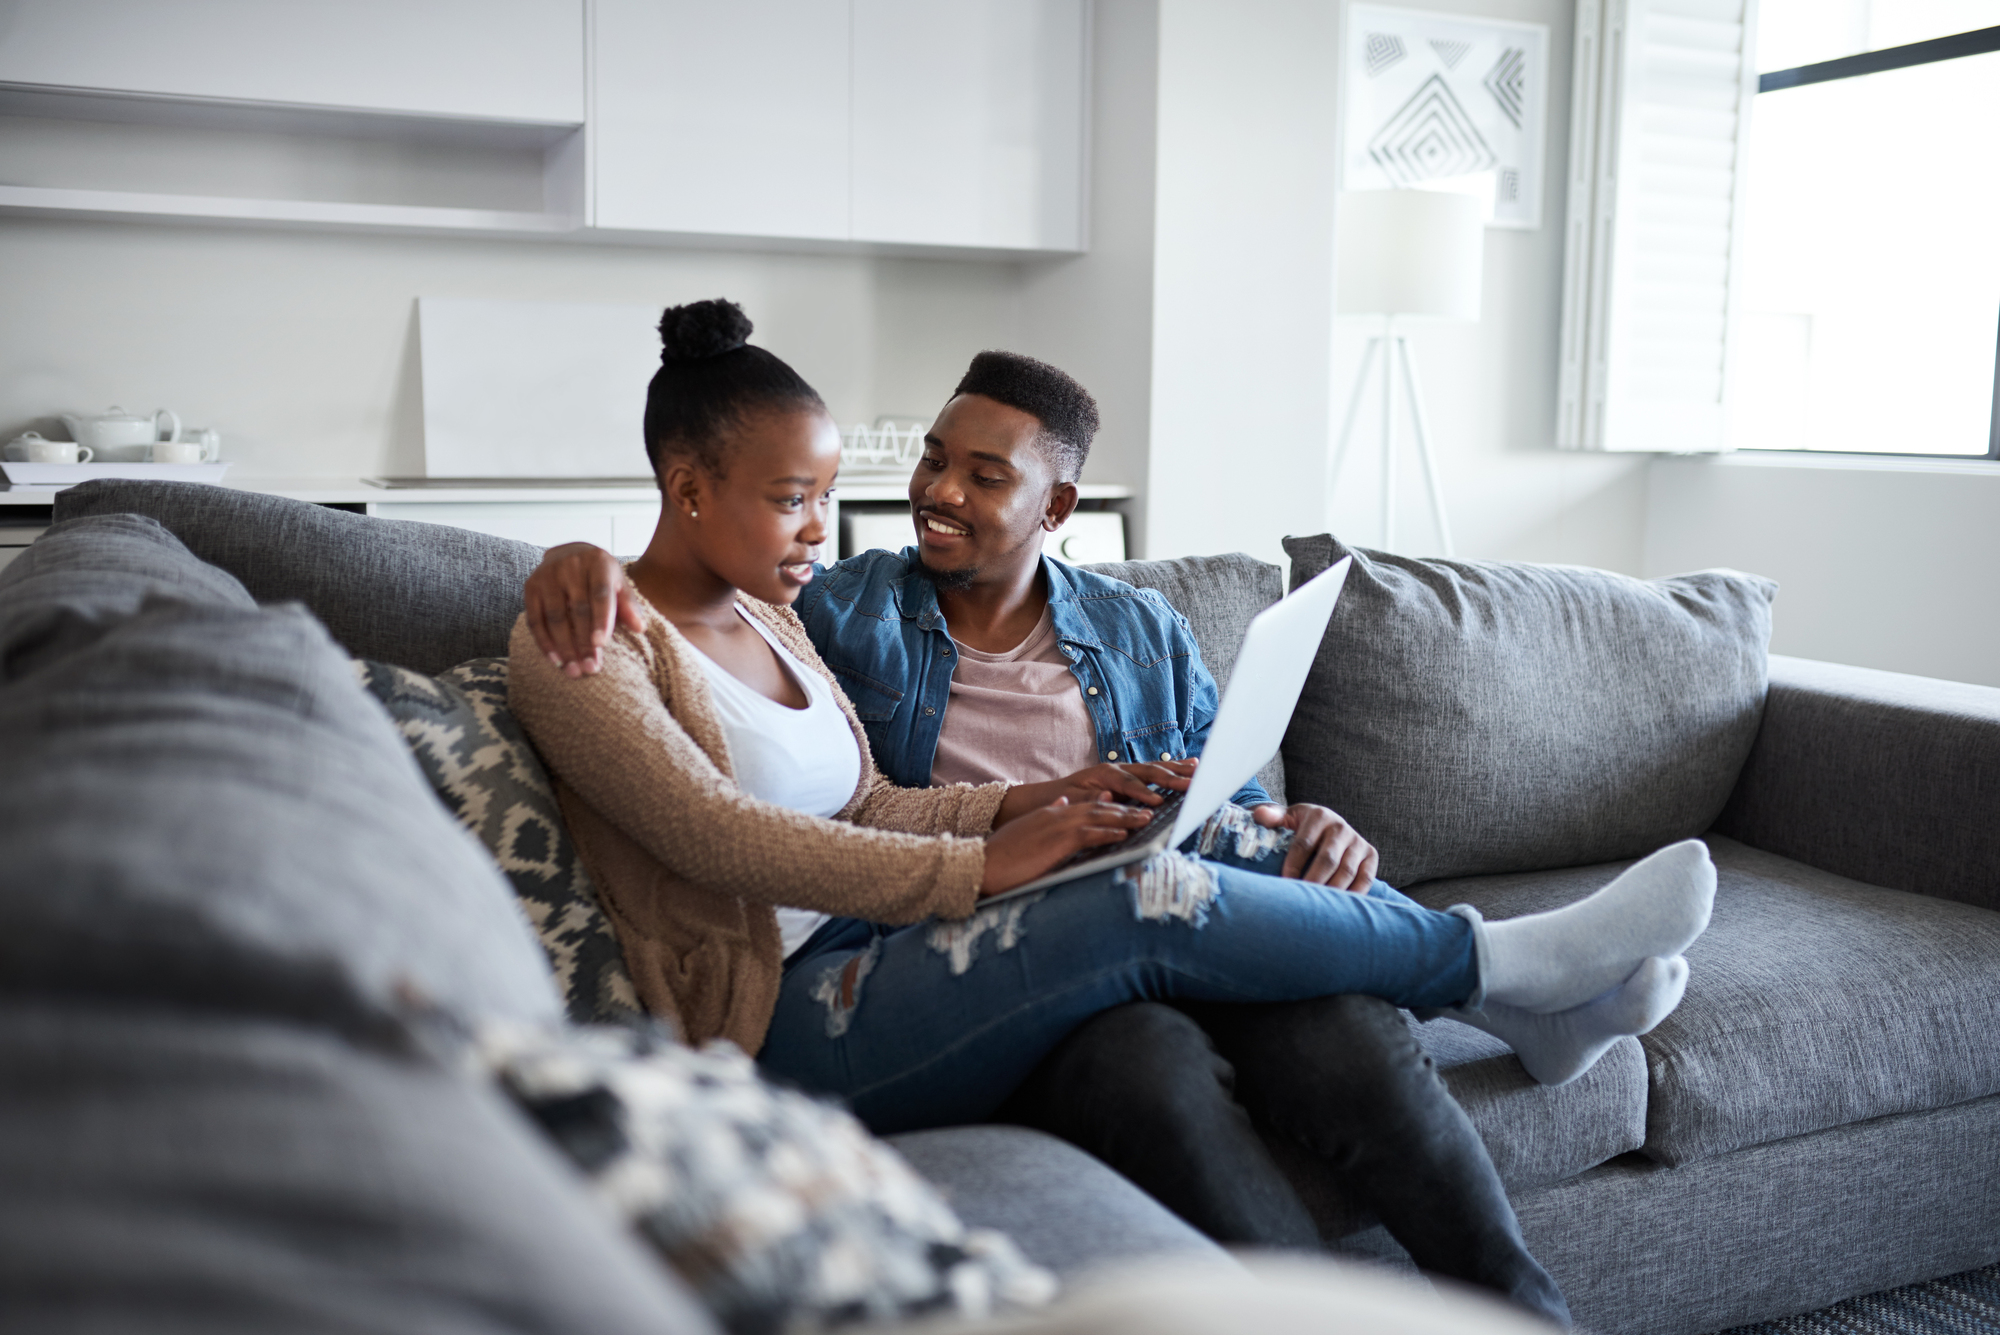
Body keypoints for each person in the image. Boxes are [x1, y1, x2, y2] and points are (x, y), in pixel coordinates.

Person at [511, 299, 1711, 1324]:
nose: (851, 523)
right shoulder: (775, 615)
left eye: (979, 476)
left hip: (957, 930)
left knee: (1236, 907)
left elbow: (880, 795)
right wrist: (577, 556)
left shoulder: (788, 611)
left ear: (1056, 505)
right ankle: (1494, 965)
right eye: (802, 498)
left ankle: (1522, 1265)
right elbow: (717, 831)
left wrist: (1066, 803)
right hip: (804, 996)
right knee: (1146, 917)